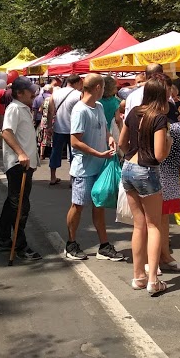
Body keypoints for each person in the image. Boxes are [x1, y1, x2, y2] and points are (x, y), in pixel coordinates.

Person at [119, 76, 172, 295]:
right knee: (154, 225)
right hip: (147, 170)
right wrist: (168, 143)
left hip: (128, 168)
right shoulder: (159, 118)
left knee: (138, 225)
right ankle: (152, 279)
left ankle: (138, 276)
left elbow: (122, 143)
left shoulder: (133, 113)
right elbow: (159, 155)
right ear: (162, 94)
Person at [64, 74, 124, 262]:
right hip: (84, 168)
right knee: (78, 205)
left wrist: (110, 139)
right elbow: (74, 142)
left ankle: (104, 245)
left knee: (99, 205)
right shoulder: (80, 110)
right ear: (98, 87)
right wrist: (97, 153)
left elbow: (104, 129)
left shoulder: (97, 107)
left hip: (100, 165)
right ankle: (71, 243)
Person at [0, 77, 42, 260]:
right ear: (19, 93)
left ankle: (4, 239)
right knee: (20, 206)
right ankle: (20, 246)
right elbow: (6, 132)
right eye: (30, 91)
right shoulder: (15, 108)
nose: (34, 94)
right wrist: (21, 154)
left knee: (12, 203)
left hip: (24, 164)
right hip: (18, 165)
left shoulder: (23, 108)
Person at [158, 76, 180, 272]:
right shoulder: (152, 113)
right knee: (152, 219)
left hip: (171, 168)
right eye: (168, 89)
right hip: (159, 168)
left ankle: (164, 255)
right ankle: (151, 261)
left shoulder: (170, 107)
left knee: (164, 216)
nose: (171, 93)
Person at [46, 74, 84, 186]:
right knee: (74, 154)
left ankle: (52, 177)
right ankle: (72, 179)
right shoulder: (79, 95)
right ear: (77, 83)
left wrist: (49, 126)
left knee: (55, 152)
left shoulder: (56, 93)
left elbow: (50, 111)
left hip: (58, 127)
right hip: (74, 129)